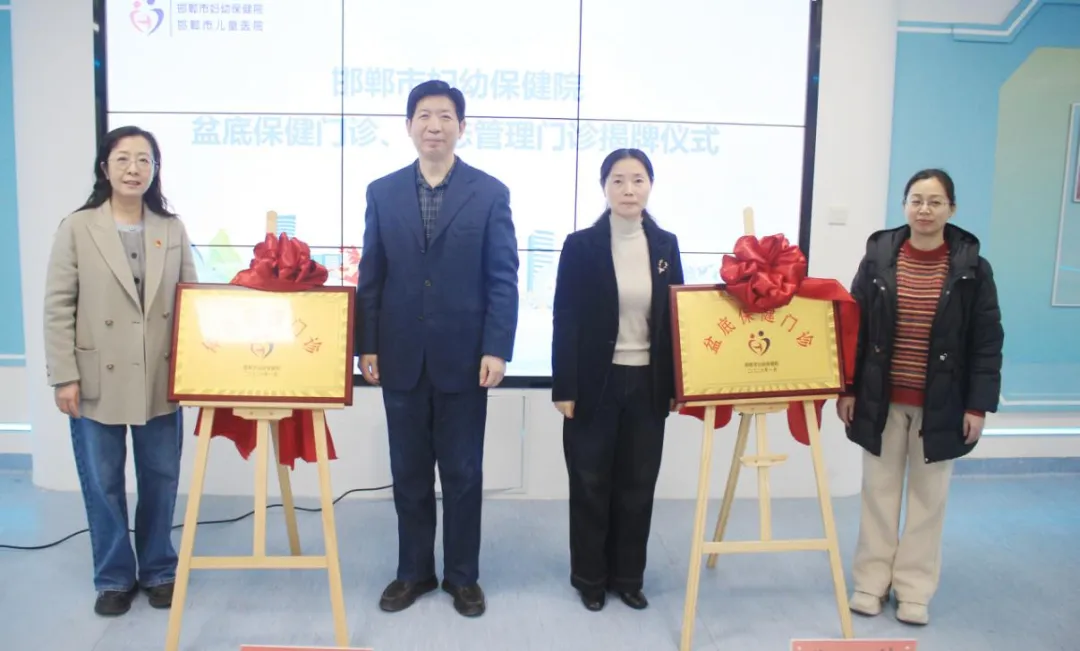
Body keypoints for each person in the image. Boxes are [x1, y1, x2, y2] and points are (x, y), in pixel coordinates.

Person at [356, 80, 519, 618]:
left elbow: (502, 278)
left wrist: (496, 347)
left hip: (465, 358)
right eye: (424, 115)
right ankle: (414, 571)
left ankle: (463, 576)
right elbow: (372, 274)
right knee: (408, 472)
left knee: (463, 473)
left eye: (445, 116)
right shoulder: (382, 192)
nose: (434, 125)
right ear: (408, 126)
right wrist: (367, 343)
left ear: (461, 127)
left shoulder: (489, 193)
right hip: (400, 354)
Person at [43, 125, 198, 616]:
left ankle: (158, 569)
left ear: (155, 170)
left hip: (158, 376)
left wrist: (193, 372)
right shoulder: (77, 226)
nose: (134, 169)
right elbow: (58, 306)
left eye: (144, 160)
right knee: (103, 482)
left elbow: (191, 304)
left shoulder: (171, 228)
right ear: (104, 168)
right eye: (124, 159)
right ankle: (113, 578)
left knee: (161, 478)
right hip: (96, 377)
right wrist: (64, 375)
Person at [837, 168, 1003, 626]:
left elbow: (987, 341)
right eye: (916, 200)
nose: (924, 210)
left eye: (935, 202)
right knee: (878, 494)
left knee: (929, 501)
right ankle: (871, 583)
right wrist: (848, 387)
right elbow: (853, 327)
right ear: (905, 205)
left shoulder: (973, 267)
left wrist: (977, 405)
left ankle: (913, 590)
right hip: (881, 399)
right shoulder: (879, 257)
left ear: (952, 208)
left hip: (942, 404)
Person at [551, 148, 685, 612]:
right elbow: (565, 317)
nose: (629, 190)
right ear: (604, 187)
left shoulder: (666, 245)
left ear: (650, 186)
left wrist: (676, 384)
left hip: (648, 384)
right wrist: (564, 386)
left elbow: (676, 319)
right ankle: (590, 578)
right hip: (595, 384)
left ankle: (628, 577)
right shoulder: (580, 246)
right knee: (590, 483)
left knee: (637, 485)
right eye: (618, 180)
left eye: (638, 180)